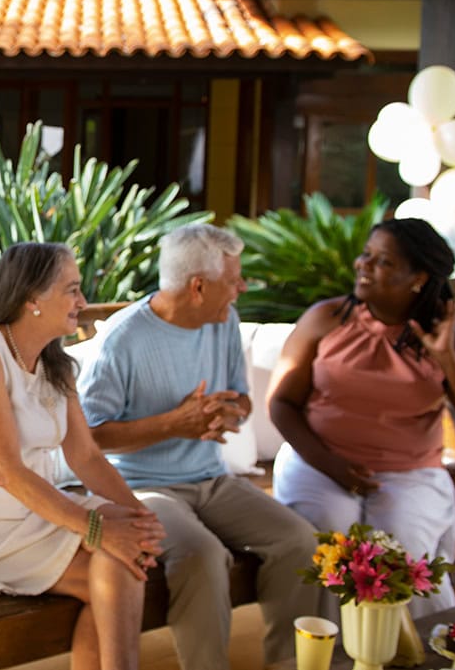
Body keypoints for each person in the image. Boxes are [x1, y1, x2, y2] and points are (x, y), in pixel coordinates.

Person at [0, 242, 165, 670]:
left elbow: (86, 457)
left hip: (34, 510)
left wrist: (142, 519)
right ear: (32, 297)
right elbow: (6, 472)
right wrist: (98, 529)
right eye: (72, 290)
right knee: (118, 562)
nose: (83, 303)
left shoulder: (54, 365)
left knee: (127, 549)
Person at [78, 223, 319, 670]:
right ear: (198, 286)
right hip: (141, 488)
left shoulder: (223, 321)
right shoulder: (122, 339)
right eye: (234, 280)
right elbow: (91, 436)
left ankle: (288, 664)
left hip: (212, 480)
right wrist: (175, 423)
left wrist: (228, 413)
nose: (241, 289)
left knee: (298, 540)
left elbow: (241, 400)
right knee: (202, 555)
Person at [269, 217, 455, 617]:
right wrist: (331, 465)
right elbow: (281, 402)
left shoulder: (444, 342)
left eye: (382, 261)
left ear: (418, 278)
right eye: (366, 255)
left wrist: (447, 359)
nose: (363, 265)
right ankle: (327, 646)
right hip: (316, 462)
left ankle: (414, 645)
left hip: (409, 474)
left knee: (403, 553)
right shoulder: (327, 319)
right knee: (328, 541)